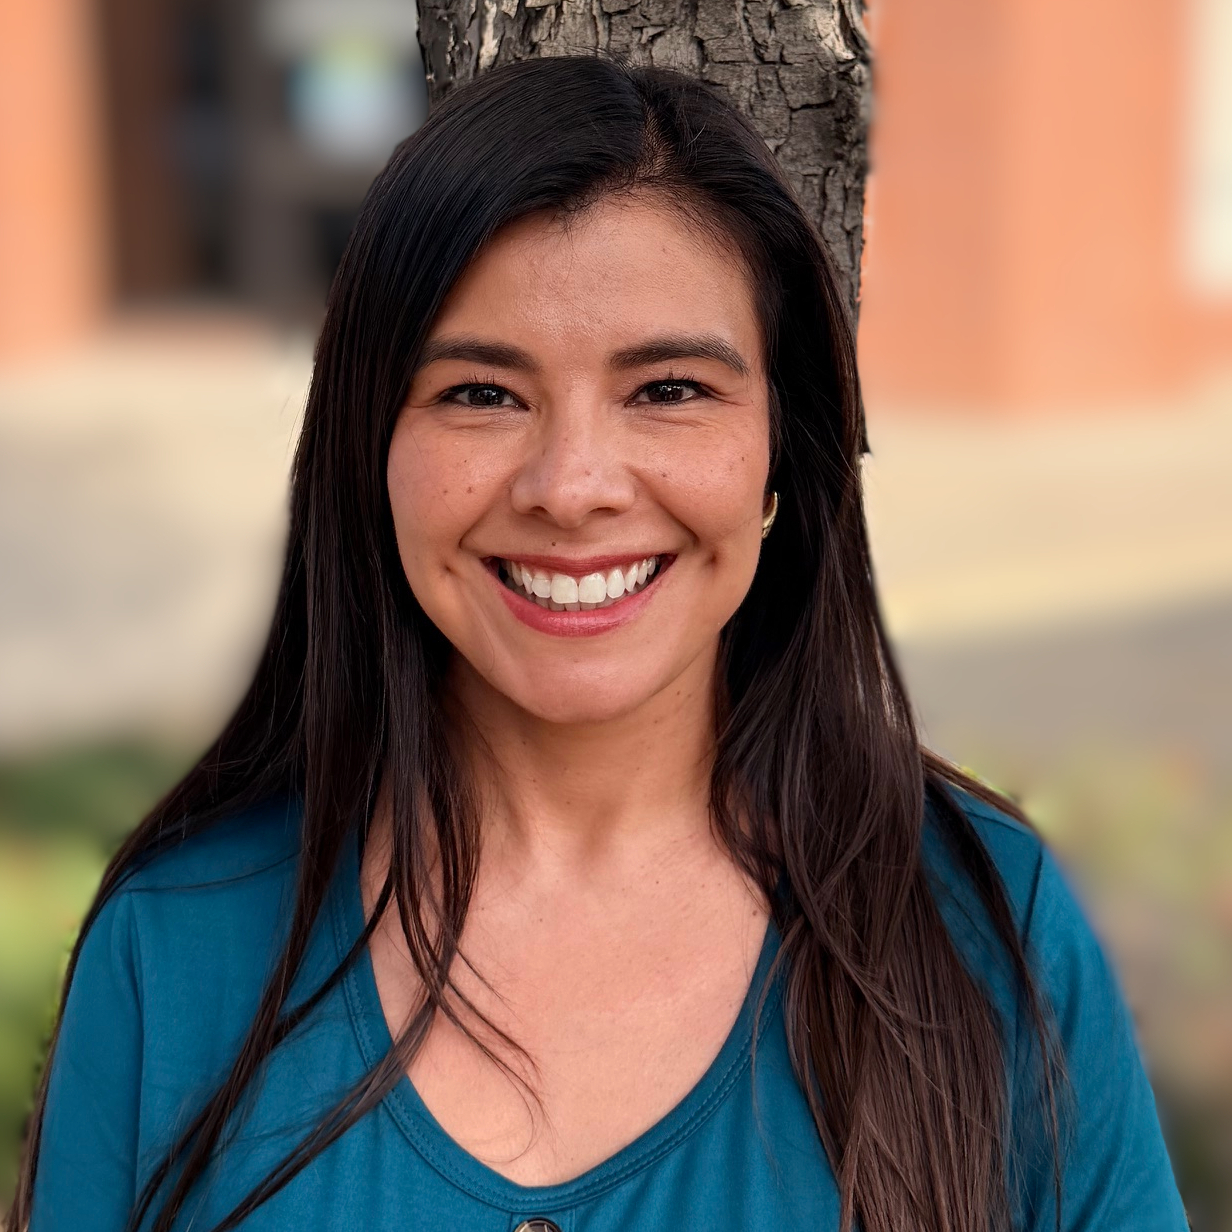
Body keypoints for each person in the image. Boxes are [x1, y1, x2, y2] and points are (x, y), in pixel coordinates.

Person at [12, 55, 1187, 1232]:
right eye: (479, 394)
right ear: (370, 455)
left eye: (668, 388)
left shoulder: (983, 923)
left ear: (782, 458)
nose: (571, 486)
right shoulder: (175, 943)